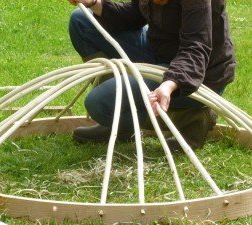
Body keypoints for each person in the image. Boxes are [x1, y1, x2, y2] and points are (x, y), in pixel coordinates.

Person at [67, 0, 236, 150]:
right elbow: (135, 14)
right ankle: (120, 123)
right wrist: (95, 3)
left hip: (198, 75)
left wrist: (169, 84)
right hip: (160, 53)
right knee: (82, 21)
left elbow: (195, 49)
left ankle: (193, 118)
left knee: (99, 103)